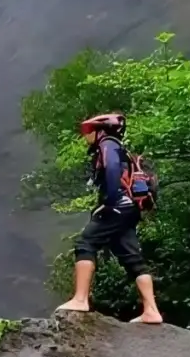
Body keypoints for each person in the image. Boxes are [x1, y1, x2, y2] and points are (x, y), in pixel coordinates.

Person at [56, 113, 163, 324]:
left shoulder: (108, 145)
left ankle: (80, 300)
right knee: (131, 257)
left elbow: (113, 169)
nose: (86, 136)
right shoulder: (120, 149)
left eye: (89, 131)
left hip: (118, 207)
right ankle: (151, 311)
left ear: (101, 131)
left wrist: (110, 202)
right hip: (130, 209)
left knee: (86, 243)